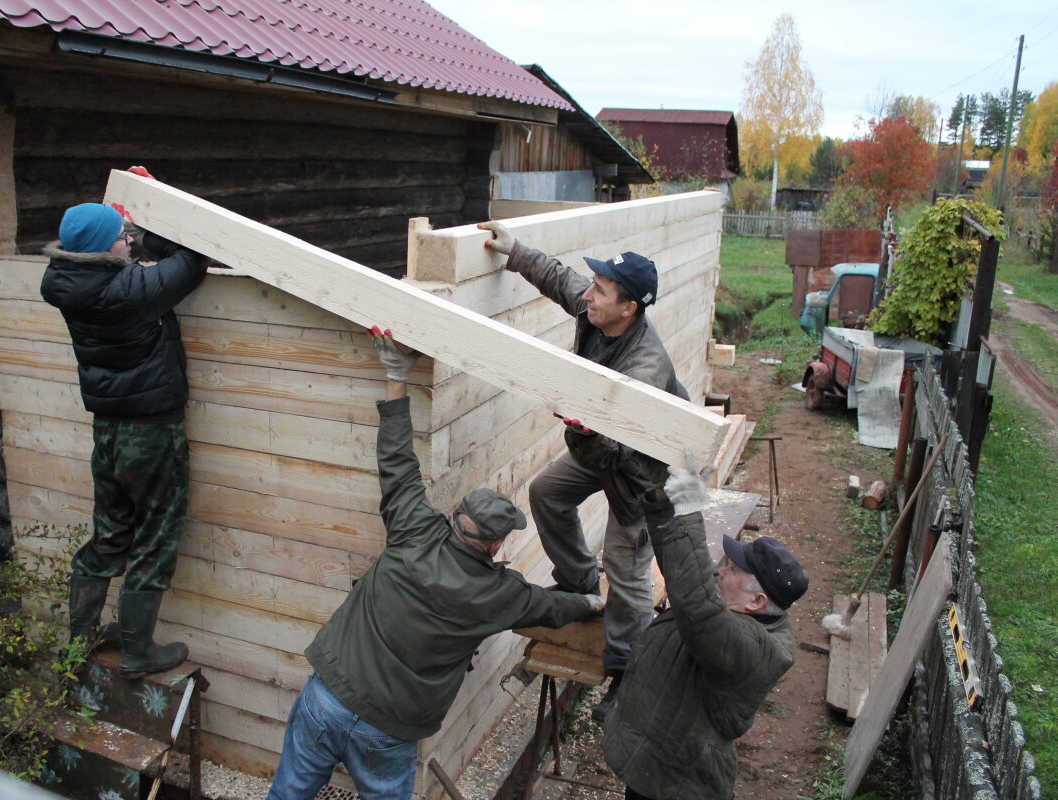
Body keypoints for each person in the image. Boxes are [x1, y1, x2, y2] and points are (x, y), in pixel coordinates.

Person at [267, 327, 604, 800]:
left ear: (455, 517)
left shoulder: (414, 527)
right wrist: (588, 602)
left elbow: (396, 458)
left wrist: (395, 374)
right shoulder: (500, 593)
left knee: (288, 794)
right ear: (494, 546)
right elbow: (551, 608)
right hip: (387, 729)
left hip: (327, 698)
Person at [478, 220, 687, 720]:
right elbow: (561, 280)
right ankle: (577, 585)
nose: (589, 295)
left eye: (601, 290)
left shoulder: (646, 371)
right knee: (548, 491)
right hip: (600, 442)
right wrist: (515, 250)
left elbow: (614, 451)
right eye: (594, 286)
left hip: (642, 473)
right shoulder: (600, 314)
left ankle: (624, 675)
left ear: (629, 308)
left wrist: (587, 432)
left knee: (626, 568)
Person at [41, 190, 208, 678]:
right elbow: (193, 257)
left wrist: (127, 224)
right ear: (101, 248)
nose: (129, 243)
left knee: (109, 536)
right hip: (151, 433)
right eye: (122, 237)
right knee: (157, 536)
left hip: (109, 432)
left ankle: (79, 642)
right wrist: (149, 224)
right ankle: (138, 652)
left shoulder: (65, 281)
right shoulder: (130, 290)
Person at [602, 449, 809, 800]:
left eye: (732, 570)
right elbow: (685, 577)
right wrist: (661, 491)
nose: (719, 570)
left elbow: (697, 607)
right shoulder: (737, 607)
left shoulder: (756, 649)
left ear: (756, 601)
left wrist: (689, 513)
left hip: (677, 784)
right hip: (656, 764)